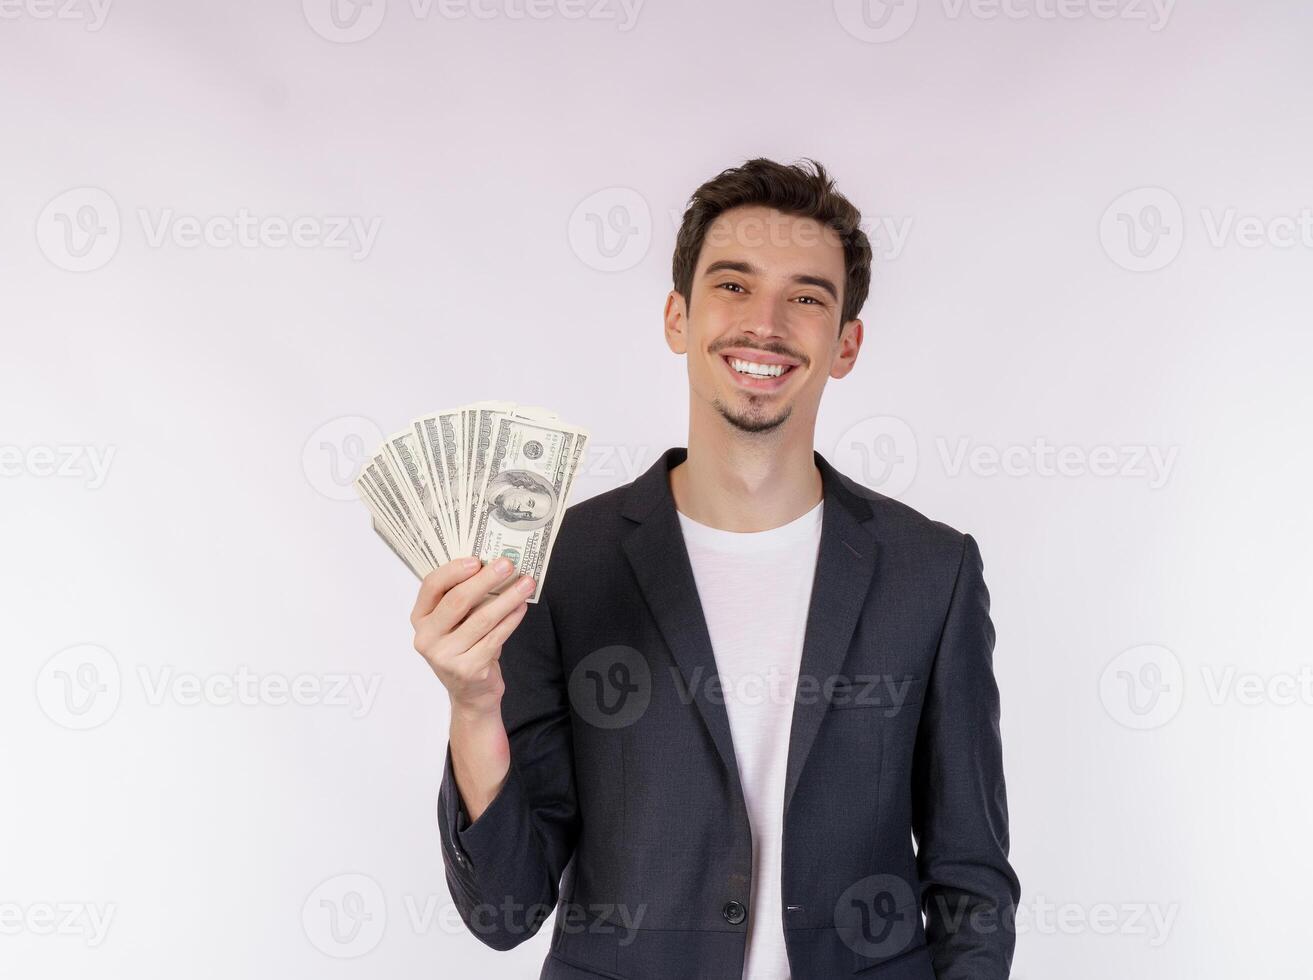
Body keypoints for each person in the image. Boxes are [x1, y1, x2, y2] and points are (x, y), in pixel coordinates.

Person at [409, 158, 1020, 979]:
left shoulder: (932, 573)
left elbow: (971, 884)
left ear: (846, 344)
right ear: (676, 316)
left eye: (806, 296)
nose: (765, 324)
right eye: (733, 285)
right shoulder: (563, 565)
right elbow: (506, 909)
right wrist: (473, 705)